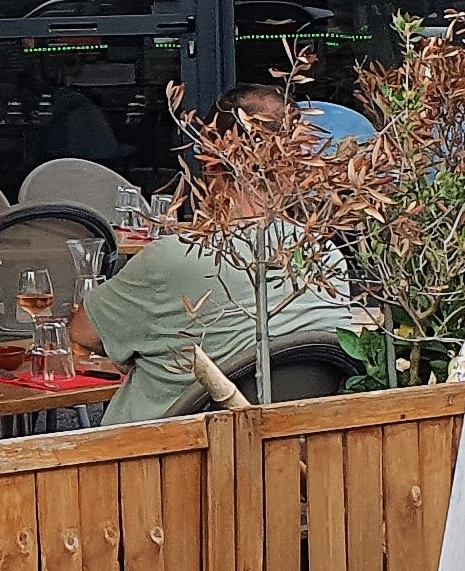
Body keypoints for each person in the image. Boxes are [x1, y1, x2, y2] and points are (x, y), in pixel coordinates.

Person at [67, 90, 354, 424]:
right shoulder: (324, 255)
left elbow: (83, 334)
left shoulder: (175, 259)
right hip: (292, 444)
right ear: (295, 163)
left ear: (211, 161)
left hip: (166, 449)